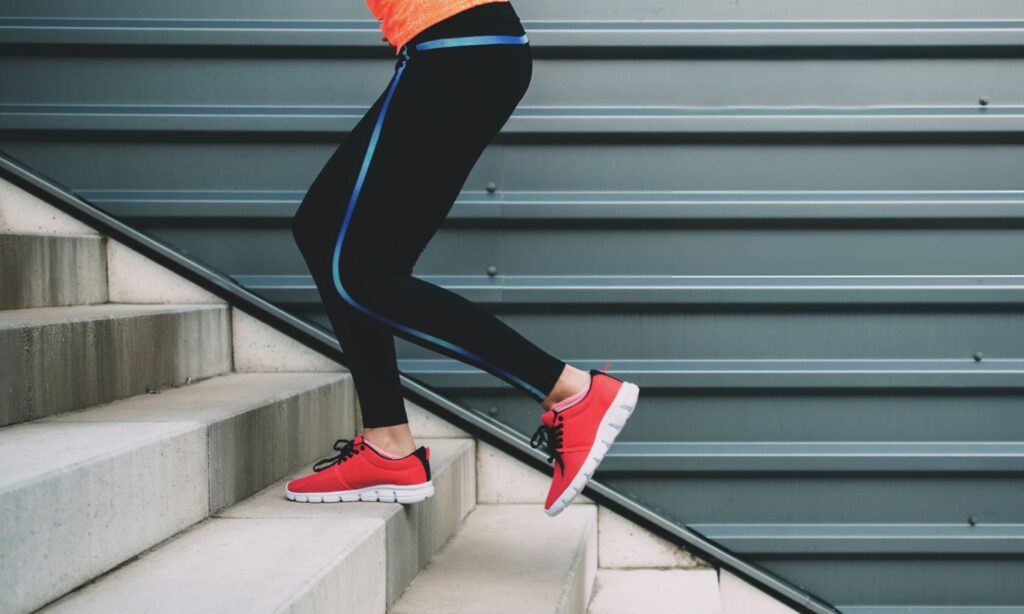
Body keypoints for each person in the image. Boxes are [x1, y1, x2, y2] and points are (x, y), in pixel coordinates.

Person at [286, 0, 640, 516]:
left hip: (454, 45)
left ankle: (568, 390)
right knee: (323, 230)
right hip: (464, 46)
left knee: (361, 273)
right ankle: (387, 445)